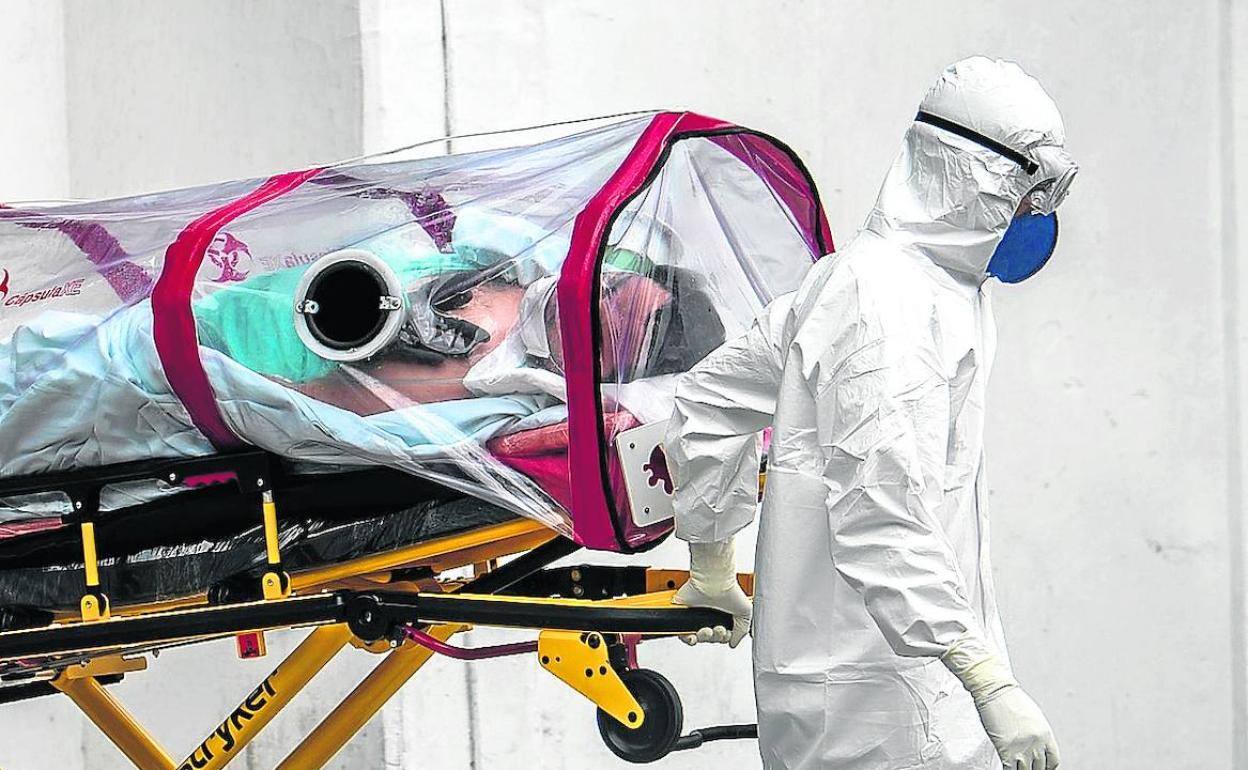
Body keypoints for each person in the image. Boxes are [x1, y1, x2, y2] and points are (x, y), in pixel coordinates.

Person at [666, 57, 1078, 770]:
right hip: (877, 712)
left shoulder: (887, 281)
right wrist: (987, 679)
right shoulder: (888, 308)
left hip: (895, 685)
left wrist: (712, 560)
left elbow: (708, 403)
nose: (1038, 213)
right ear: (976, 178)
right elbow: (880, 513)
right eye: (1032, 190)